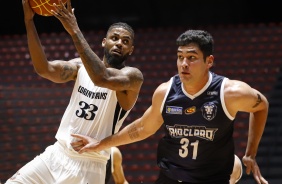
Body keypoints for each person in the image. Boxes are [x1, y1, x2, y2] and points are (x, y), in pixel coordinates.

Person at [71, 29, 269, 184]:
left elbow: (261, 106)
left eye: (191, 58)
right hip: (171, 176)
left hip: (211, 177)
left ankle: (233, 167)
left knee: (230, 166)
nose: (184, 63)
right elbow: (141, 128)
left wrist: (250, 154)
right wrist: (100, 143)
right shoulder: (166, 92)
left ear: (209, 61)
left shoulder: (230, 92)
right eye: (180, 56)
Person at [6, 0, 143, 184]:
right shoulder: (79, 67)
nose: (119, 43)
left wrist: (74, 30)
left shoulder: (132, 77)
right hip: (57, 154)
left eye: (125, 42)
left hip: (90, 164)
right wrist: (29, 21)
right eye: (115, 38)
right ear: (104, 42)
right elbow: (44, 69)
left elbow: (102, 78)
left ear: (131, 50)